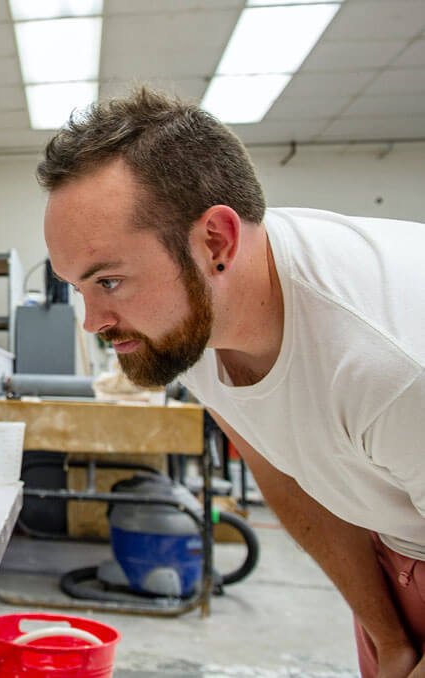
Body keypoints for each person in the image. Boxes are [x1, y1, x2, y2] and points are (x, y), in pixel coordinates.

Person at [38, 87, 425, 678]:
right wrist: (387, 635)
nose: (92, 322)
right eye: (77, 288)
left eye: (109, 282)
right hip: (394, 538)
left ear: (216, 241)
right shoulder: (193, 318)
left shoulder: (394, 365)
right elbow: (286, 471)